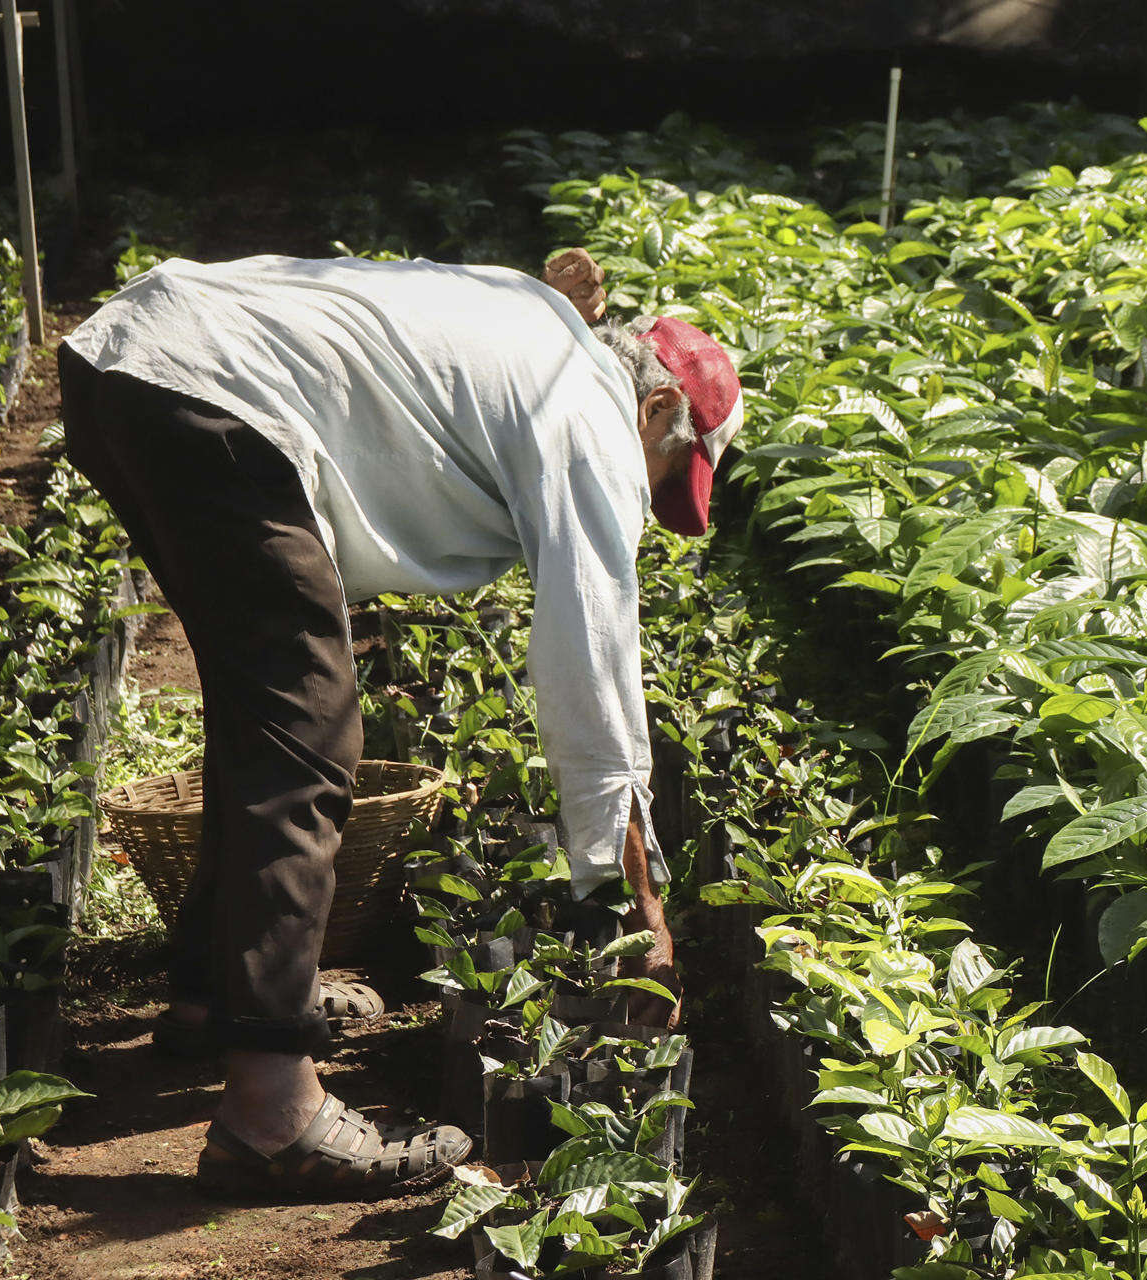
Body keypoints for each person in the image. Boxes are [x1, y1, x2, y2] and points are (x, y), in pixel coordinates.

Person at [57, 246, 743, 1197]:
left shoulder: (540, 331)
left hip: (128, 358)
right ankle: (272, 1110)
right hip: (211, 388)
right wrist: (635, 906)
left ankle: (218, 996)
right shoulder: (589, 415)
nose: (651, 494)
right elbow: (593, 668)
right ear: (660, 410)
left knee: (268, 706)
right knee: (310, 728)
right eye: (669, 470)